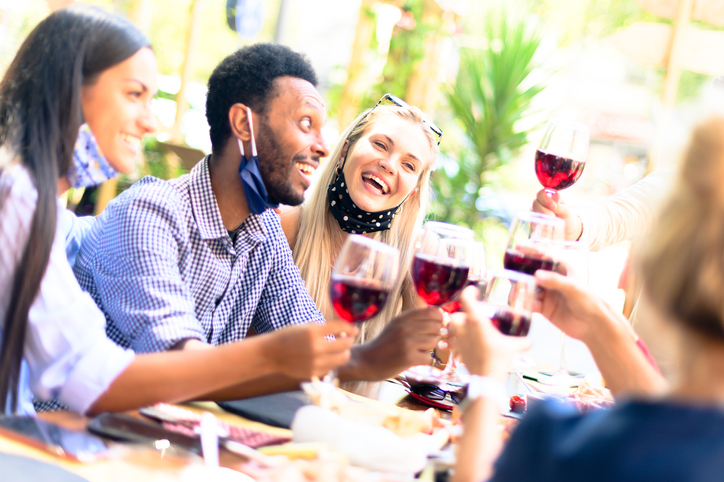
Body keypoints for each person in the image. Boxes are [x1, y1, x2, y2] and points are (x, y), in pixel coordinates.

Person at [0, 6, 353, 416]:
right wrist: (277, 357)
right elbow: (91, 375)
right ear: (68, 92)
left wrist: (347, 358)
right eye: (135, 94)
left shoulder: (38, 208)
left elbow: (318, 345)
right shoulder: (22, 202)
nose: (151, 122)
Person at [74, 43, 433, 396]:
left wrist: (373, 354)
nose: (324, 146)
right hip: (68, 441)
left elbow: (312, 340)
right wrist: (362, 360)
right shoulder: (149, 215)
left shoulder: (262, 234)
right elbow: (181, 365)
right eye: (305, 123)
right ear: (243, 125)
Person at [451, 116, 724, 482]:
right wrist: (596, 322)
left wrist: (487, 377)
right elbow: (672, 424)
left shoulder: (568, 446)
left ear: (658, 261)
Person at [279, 95, 445, 384]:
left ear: (413, 193)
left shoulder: (419, 252)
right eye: (380, 145)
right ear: (345, 150)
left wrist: (443, 347)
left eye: (409, 166)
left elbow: (428, 364)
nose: (389, 164)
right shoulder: (287, 221)